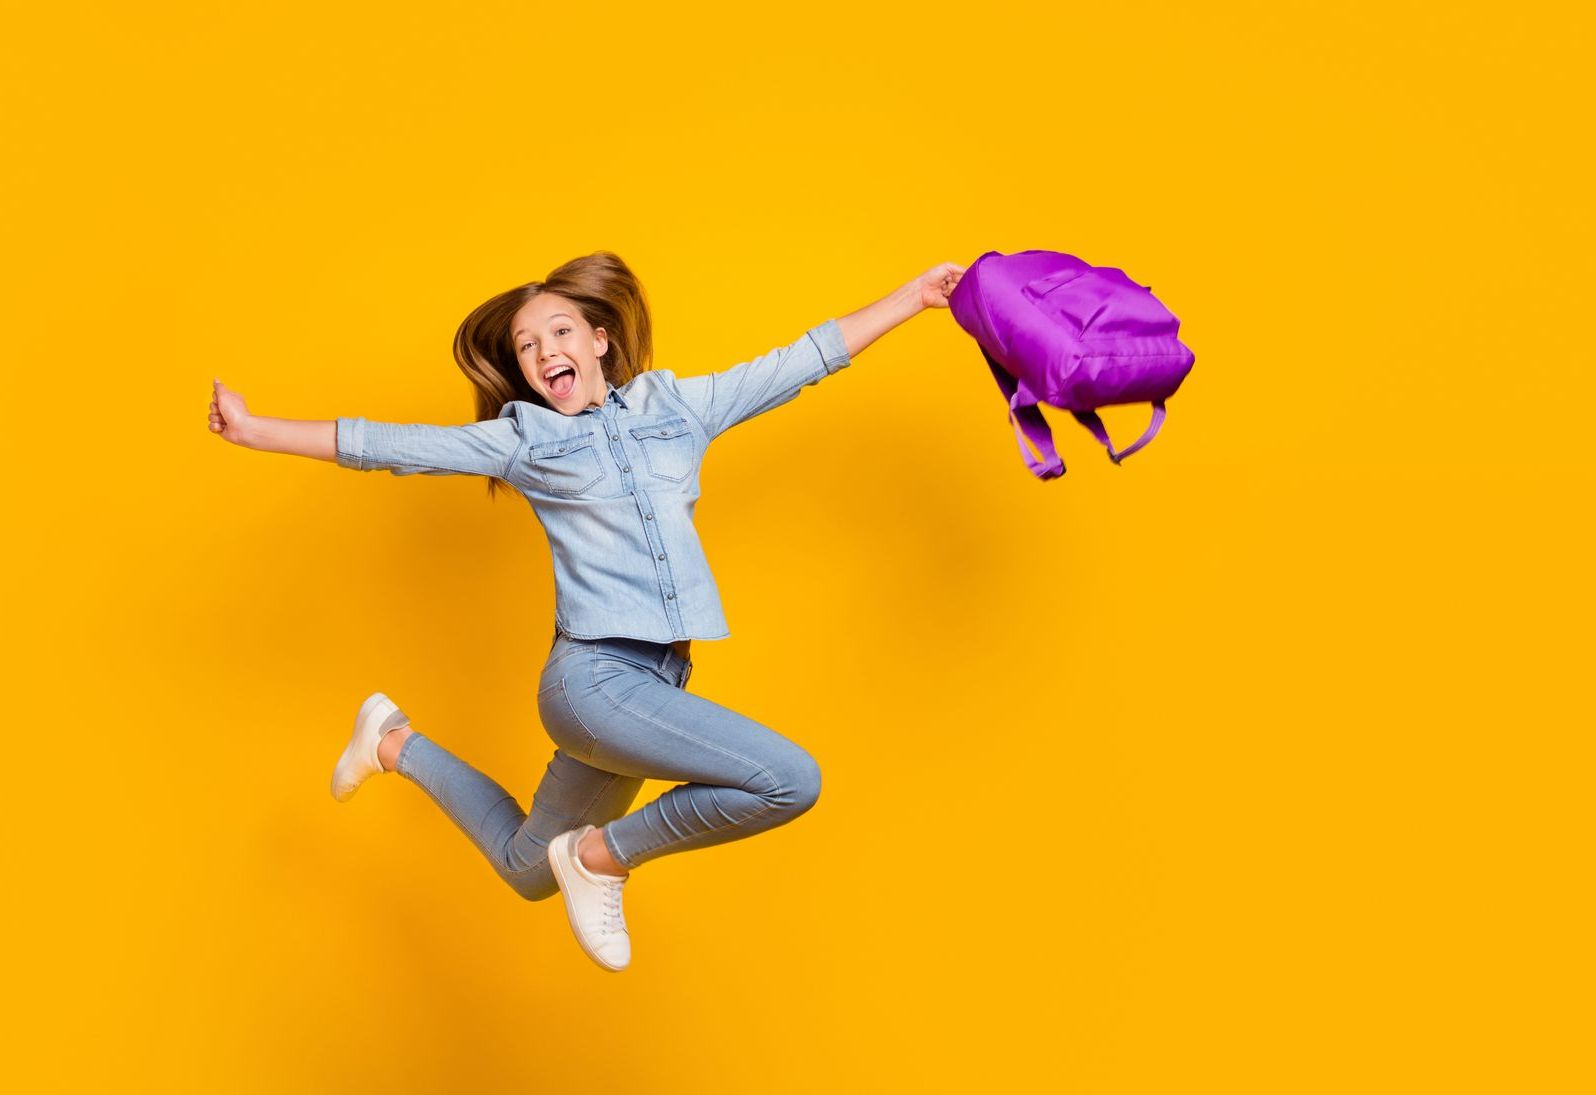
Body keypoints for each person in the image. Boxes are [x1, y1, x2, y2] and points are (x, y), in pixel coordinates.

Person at [207, 250, 966, 971]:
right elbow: (392, 444)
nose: (543, 352)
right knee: (787, 779)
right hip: (593, 681)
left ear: (599, 341)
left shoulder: (677, 407)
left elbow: (800, 360)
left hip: (658, 682)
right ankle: (600, 857)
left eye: (560, 332)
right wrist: (253, 430)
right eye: (527, 346)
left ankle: (393, 742)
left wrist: (916, 297)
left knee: (528, 868)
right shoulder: (524, 440)